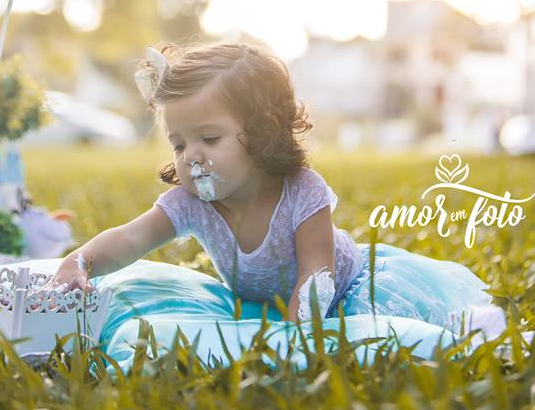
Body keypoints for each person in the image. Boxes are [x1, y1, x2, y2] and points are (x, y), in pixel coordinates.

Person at [52, 41, 363, 322]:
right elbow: (130, 238)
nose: (191, 157)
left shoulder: (302, 191)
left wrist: (293, 338)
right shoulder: (191, 202)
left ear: (262, 133)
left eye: (210, 138)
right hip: (262, 303)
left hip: (341, 293)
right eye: (179, 144)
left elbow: (316, 275)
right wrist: (79, 260)